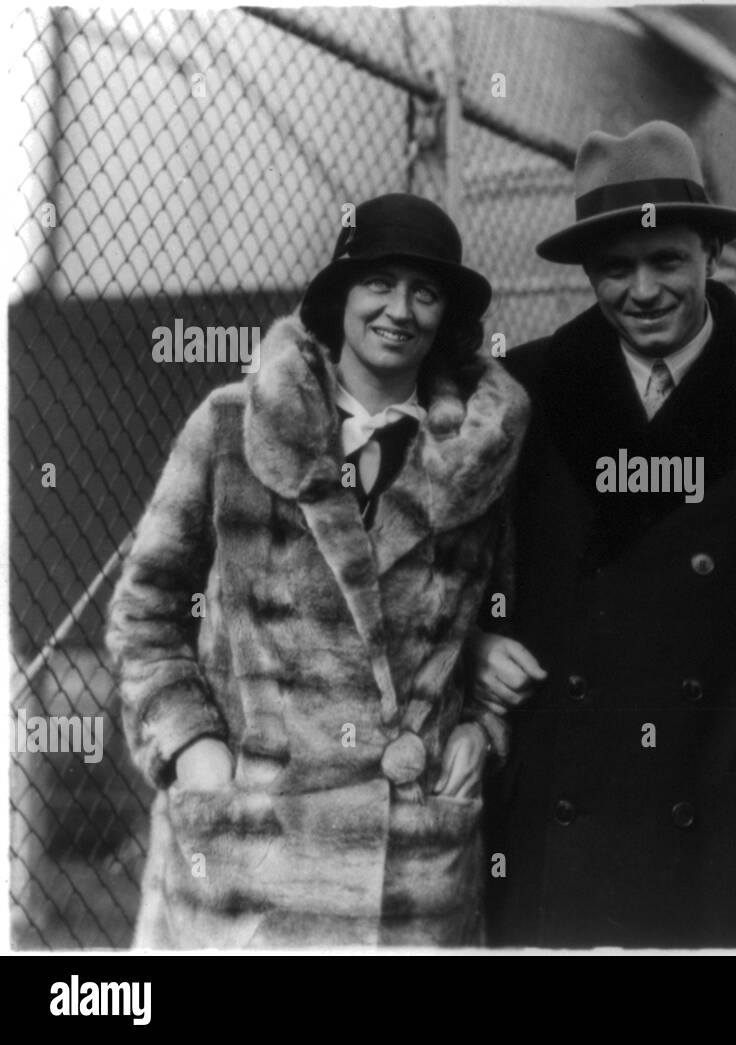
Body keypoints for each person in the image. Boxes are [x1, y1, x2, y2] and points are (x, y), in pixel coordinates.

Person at [106, 193, 530, 948]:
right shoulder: (232, 426)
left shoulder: (478, 460)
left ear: (446, 316)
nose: (399, 310)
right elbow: (145, 609)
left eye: (425, 292)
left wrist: (481, 729)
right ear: (340, 295)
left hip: (409, 876)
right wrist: (193, 746)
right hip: (250, 858)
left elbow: (499, 624)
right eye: (380, 284)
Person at [472, 120, 736, 948]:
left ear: (710, 257)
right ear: (587, 273)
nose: (643, 290)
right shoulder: (526, 392)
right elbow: (452, 559)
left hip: (720, 799)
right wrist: (478, 638)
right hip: (562, 808)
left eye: (666, 261)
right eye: (616, 268)